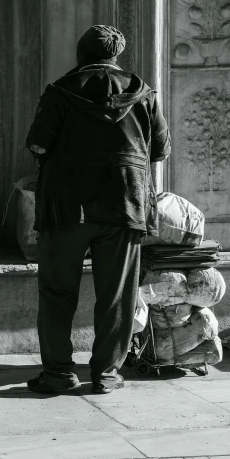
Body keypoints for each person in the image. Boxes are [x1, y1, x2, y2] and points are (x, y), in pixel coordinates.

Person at [24, 25, 171, 395]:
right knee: (117, 295)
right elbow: (162, 150)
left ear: (81, 54)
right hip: (125, 202)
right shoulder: (144, 94)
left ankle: (58, 373)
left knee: (57, 292)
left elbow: (38, 146)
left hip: (67, 206)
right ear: (116, 55)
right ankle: (105, 374)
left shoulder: (60, 91)